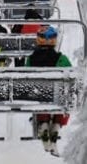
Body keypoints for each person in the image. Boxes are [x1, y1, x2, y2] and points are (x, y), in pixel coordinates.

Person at [26, 26, 71, 157]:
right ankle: (56, 127)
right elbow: (71, 75)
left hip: (39, 96)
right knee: (64, 99)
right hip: (57, 97)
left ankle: (44, 123)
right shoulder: (61, 59)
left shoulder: (31, 59)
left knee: (41, 98)